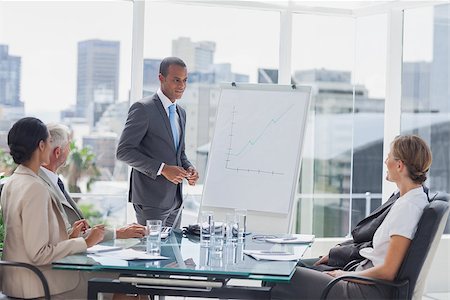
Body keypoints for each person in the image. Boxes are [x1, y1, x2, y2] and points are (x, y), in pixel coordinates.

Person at [270, 135, 433, 299]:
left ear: (399, 166)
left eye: (389, 156)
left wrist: (341, 274)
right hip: (362, 277)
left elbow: (388, 271)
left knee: (283, 277)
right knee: (289, 270)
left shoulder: (407, 208)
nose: (385, 161)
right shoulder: (409, 198)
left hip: (365, 289)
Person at [0, 117, 105, 299]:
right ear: (41, 145)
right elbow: (39, 254)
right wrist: (85, 242)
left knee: (126, 284)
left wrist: (69, 236)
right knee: (123, 284)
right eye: (49, 141)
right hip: (39, 283)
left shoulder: (14, 181)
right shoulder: (36, 188)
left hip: (17, 280)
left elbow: (26, 238)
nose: (52, 146)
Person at [117, 57, 199, 227]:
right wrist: (163, 169)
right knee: (152, 252)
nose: (182, 85)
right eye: (176, 80)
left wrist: (188, 168)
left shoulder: (181, 113)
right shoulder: (143, 109)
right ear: (161, 78)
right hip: (150, 201)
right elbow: (124, 151)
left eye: (185, 80)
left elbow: (179, 153)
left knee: (172, 253)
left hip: (176, 200)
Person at [38, 123, 146, 240]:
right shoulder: (40, 186)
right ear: (58, 152)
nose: (70, 150)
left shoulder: (52, 180)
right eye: (69, 145)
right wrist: (118, 233)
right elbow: (67, 234)